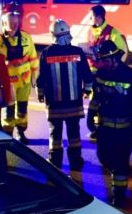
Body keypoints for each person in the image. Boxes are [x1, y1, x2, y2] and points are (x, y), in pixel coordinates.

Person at [87, 40, 132, 207]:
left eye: (106, 60)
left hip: (124, 129)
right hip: (105, 128)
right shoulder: (100, 74)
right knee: (103, 157)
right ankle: (116, 176)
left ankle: (118, 195)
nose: (104, 63)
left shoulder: (130, 75)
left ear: (114, 58)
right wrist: (90, 116)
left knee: (121, 162)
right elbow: (96, 98)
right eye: (102, 60)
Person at [37, 19, 93, 169]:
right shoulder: (78, 52)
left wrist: (40, 93)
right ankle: (76, 160)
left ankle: (55, 161)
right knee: (74, 132)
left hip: (54, 103)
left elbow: (41, 77)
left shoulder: (46, 53)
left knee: (55, 133)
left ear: (52, 35)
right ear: (69, 34)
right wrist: (87, 90)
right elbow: (87, 75)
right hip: (74, 103)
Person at [0, 9, 39, 143]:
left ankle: (21, 133)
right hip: (7, 82)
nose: (14, 25)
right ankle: (8, 137)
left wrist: (36, 76)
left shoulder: (26, 37)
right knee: (8, 112)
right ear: (4, 23)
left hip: (24, 81)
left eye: (16, 22)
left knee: (22, 109)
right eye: (11, 22)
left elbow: (33, 58)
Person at [87, 5, 128, 71]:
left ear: (99, 17)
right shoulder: (89, 31)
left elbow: (120, 51)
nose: (90, 18)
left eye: (91, 16)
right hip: (91, 69)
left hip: (106, 71)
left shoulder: (112, 32)